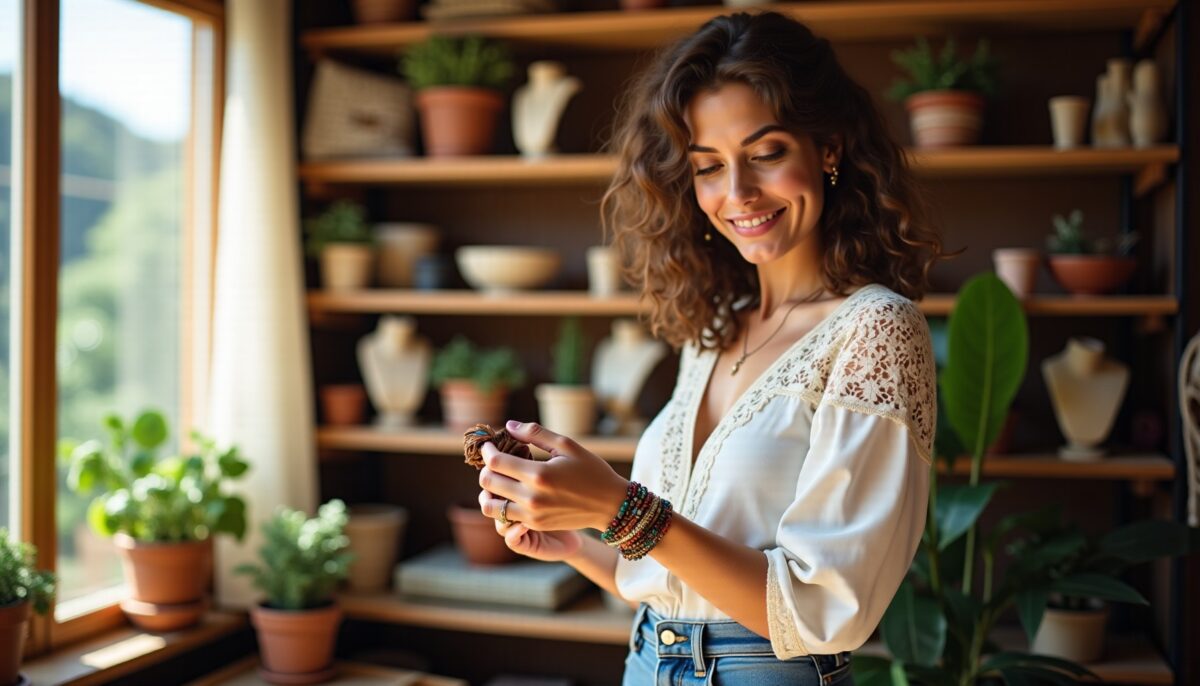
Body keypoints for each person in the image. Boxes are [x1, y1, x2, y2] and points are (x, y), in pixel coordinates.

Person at [475, 11, 949, 685]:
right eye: (708, 167)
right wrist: (575, 542)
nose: (737, 194)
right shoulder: (717, 329)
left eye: (766, 154)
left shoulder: (875, 330)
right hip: (648, 659)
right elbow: (676, 580)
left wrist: (618, 508)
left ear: (829, 147)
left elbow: (819, 610)